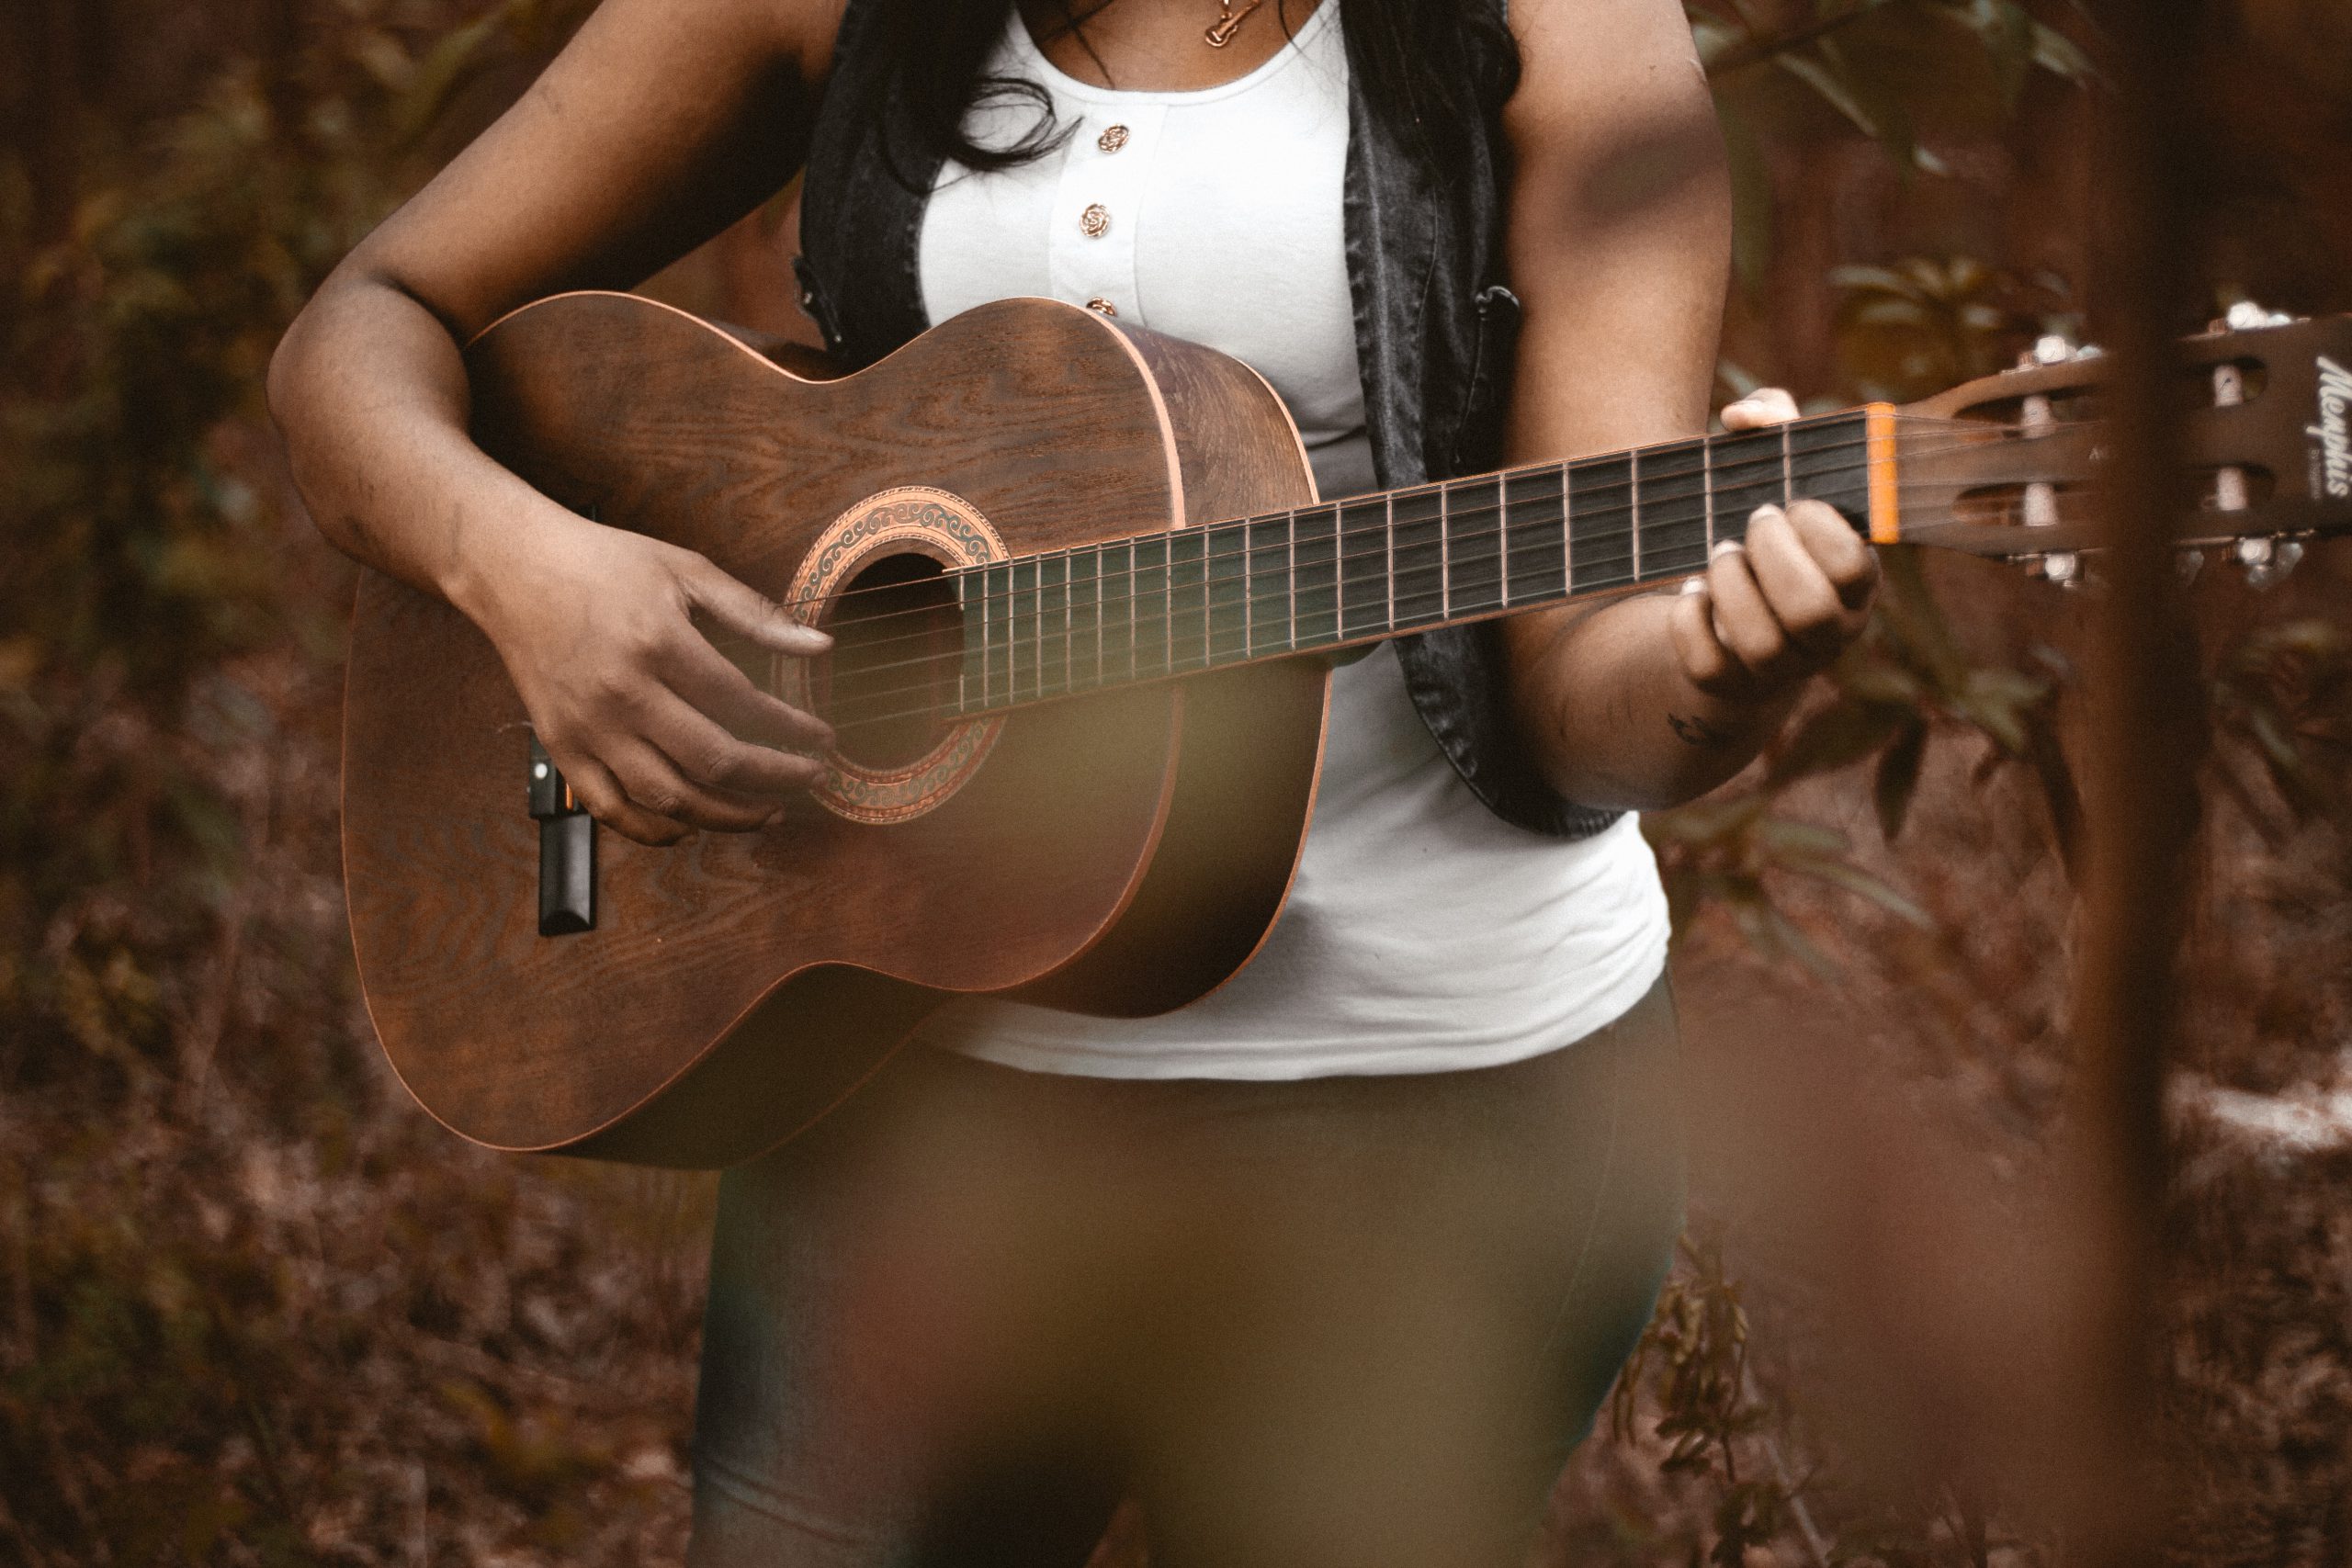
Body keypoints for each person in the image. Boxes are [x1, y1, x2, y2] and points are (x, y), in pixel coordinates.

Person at [269, 0, 1877, 1562]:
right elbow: (362, 328)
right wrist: (535, 577)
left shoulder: (1562, 19)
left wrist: (1712, 675)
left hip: (1434, 1107)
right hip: (906, 1074)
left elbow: (1585, 687)